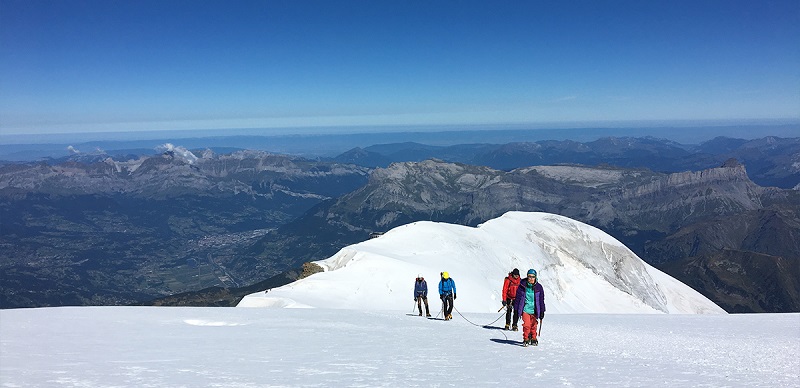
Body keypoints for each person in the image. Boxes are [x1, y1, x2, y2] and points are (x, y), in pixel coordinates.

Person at [514, 269, 545, 346]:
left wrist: (542, 311)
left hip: (535, 310)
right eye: (529, 276)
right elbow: (518, 298)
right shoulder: (522, 286)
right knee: (527, 325)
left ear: (535, 277)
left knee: (534, 325)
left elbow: (541, 300)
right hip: (525, 309)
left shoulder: (539, 287)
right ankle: (526, 338)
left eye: (533, 277)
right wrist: (516, 309)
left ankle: (534, 338)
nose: (531, 278)